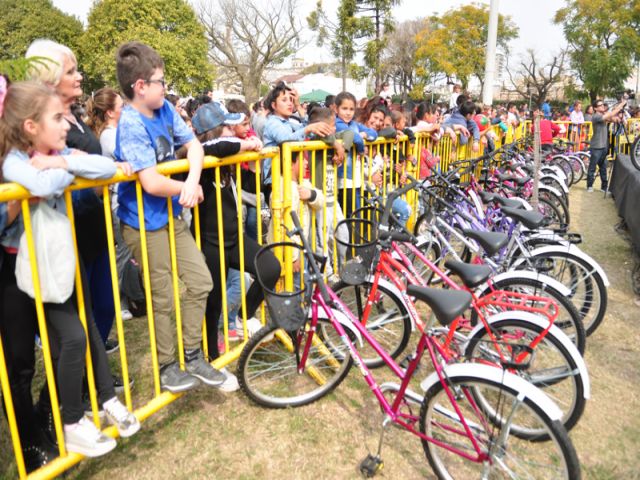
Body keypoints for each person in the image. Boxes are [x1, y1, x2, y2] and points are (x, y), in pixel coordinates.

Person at [1, 81, 139, 459]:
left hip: (55, 263)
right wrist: (67, 171)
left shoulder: (52, 152)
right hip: (25, 270)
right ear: (31, 126)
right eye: (58, 117)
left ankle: (74, 416)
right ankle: (57, 427)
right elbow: (40, 183)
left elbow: (103, 166)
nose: (68, 124)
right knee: (48, 350)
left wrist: (62, 161)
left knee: (77, 337)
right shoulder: (15, 160)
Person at [113, 41, 224, 392]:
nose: (166, 87)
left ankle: (192, 354)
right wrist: (183, 190)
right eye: (160, 81)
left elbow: (194, 146)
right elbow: (150, 182)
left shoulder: (164, 111)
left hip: (171, 218)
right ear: (140, 86)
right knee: (161, 296)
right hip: (143, 224)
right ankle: (166, 366)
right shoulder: (130, 123)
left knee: (201, 280)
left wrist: (191, 181)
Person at [26, 40, 123, 363]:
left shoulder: (77, 116)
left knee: (105, 306)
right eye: (72, 71)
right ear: (50, 79)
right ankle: (77, 392)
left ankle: (92, 382)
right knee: (80, 323)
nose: (80, 77)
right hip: (68, 232)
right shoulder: (43, 122)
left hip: (96, 227)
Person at [187, 102, 280, 379]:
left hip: (234, 237)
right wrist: (243, 144)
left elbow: (230, 145)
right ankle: (211, 358)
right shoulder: (199, 156)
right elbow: (211, 148)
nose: (233, 130)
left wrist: (246, 143)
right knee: (213, 301)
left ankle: (244, 316)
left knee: (270, 267)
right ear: (214, 130)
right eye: (226, 126)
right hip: (210, 243)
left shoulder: (226, 155)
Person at [262, 82, 333, 201]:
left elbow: (308, 130)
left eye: (291, 99)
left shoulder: (288, 122)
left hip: (289, 177)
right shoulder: (273, 123)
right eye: (284, 100)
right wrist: (308, 128)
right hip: (277, 179)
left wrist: (298, 106)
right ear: (274, 105)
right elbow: (287, 140)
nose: (290, 103)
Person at [334, 91, 379, 217]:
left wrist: (364, 135)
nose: (348, 112)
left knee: (356, 213)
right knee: (350, 214)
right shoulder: (337, 124)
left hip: (355, 177)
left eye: (351, 109)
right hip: (344, 178)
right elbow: (353, 137)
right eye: (344, 108)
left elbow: (373, 134)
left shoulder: (354, 124)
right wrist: (360, 148)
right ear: (336, 109)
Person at [586, 99, 627, 193]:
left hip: (604, 145)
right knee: (592, 167)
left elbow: (614, 118)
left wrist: (621, 117)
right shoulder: (596, 116)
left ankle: (604, 187)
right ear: (595, 108)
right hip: (596, 146)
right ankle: (589, 186)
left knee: (603, 167)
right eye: (600, 105)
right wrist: (621, 104)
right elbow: (611, 114)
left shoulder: (603, 116)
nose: (602, 106)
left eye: (603, 105)